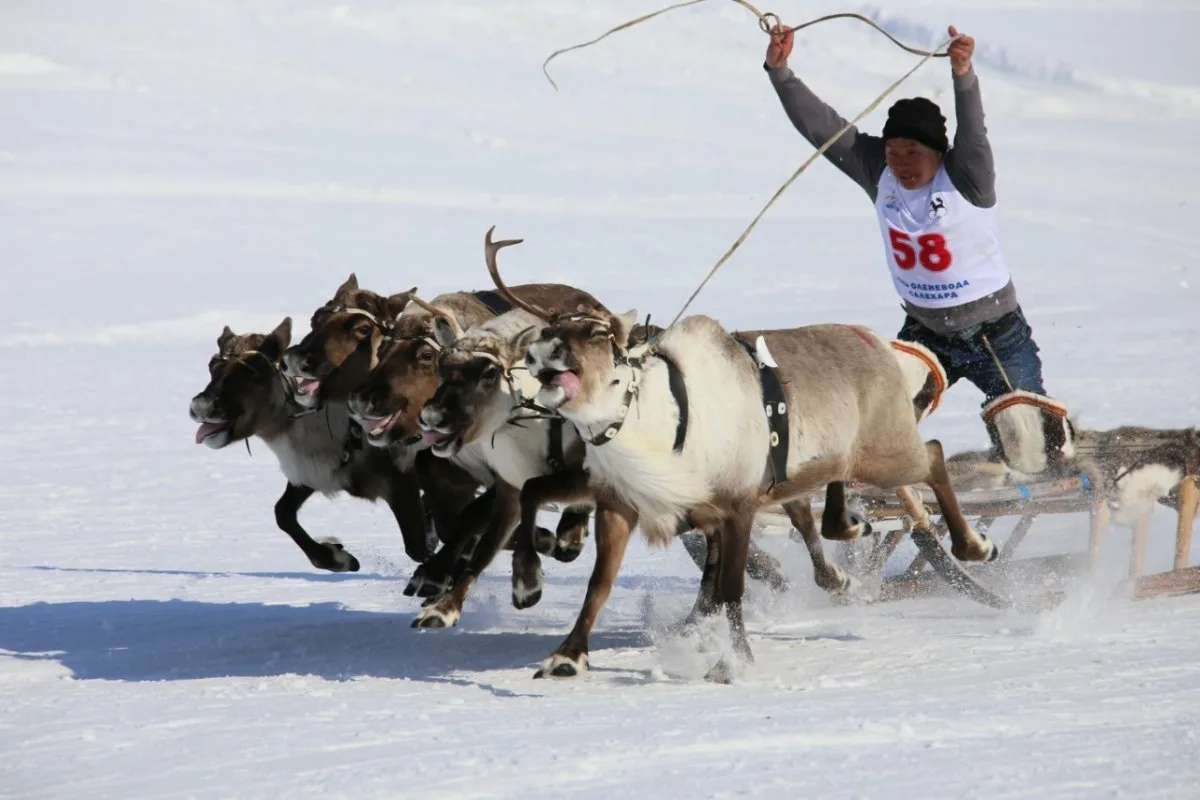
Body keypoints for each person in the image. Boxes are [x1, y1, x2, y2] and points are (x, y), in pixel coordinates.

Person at [763, 24, 1053, 417]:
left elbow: (974, 131)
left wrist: (963, 73)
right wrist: (780, 73)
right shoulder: (877, 172)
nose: (900, 163)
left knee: (1028, 436)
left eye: (912, 151)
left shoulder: (967, 175)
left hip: (995, 334)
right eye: (893, 151)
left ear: (938, 150)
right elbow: (823, 128)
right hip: (924, 333)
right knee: (882, 424)